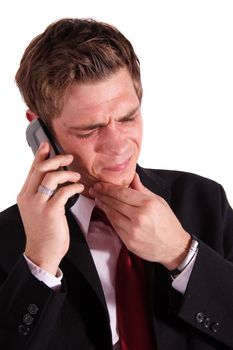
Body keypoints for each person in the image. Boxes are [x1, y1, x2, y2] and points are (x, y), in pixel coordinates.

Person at [0, 18, 233, 350]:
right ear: (40, 130)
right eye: (89, 129)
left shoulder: (205, 200)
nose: (119, 145)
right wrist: (40, 263)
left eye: (128, 117)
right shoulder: (10, 240)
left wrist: (181, 254)